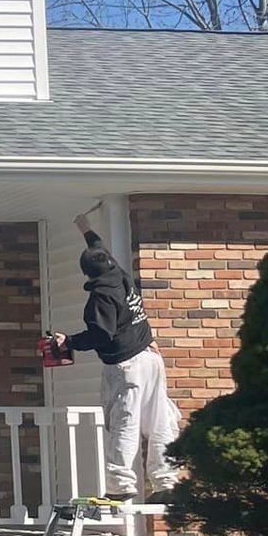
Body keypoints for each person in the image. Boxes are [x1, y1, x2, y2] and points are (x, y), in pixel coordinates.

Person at [51, 211, 181, 500]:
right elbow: (98, 246)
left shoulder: (102, 297)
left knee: (125, 421)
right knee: (159, 420)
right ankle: (167, 482)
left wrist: (69, 341)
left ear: (87, 274)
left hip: (127, 366)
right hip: (150, 358)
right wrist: (85, 228)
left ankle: (120, 486)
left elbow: (101, 335)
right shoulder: (118, 272)